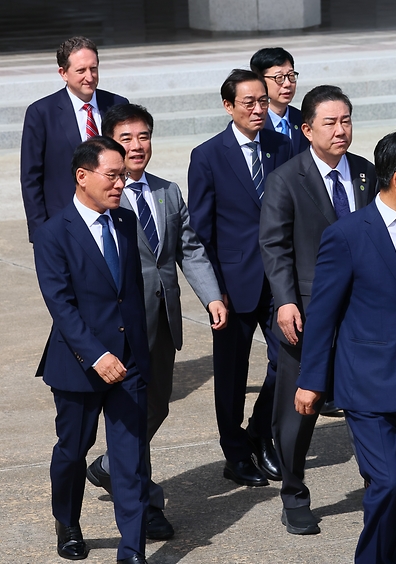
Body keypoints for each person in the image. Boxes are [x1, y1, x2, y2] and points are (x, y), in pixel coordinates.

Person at [294, 129, 396, 564]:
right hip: (367, 383)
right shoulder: (347, 235)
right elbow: (323, 315)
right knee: (388, 482)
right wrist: (311, 380)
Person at [83, 104, 227, 540]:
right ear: (109, 143)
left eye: (143, 136)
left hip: (163, 321)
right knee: (131, 413)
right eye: (126, 138)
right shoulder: (102, 197)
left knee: (158, 404)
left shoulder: (167, 192)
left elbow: (189, 249)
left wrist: (212, 295)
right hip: (120, 326)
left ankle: (111, 466)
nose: (136, 145)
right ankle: (144, 505)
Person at [259, 85, 378, 535]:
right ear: (307, 129)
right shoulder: (286, 179)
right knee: (299, 408)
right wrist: (286, 299)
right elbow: (274, 246)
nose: (341, 130)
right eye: (330, 122)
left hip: (363, 311)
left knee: (370, 406)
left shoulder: (367, 173)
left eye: (346, 120)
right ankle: (293, 493)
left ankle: (381, 492)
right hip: (307, 312)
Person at [33, 137, 152, 564]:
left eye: (124, 176)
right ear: (82, 176)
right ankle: (67, 521)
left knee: (130, 458)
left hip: (129, 361)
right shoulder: (53, 233)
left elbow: (130, 293)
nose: (121, 183)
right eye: (113, 175)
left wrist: (139, 351)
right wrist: (97, 356)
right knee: (73, 449)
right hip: (80, 365)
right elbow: (61, 305)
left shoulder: (125, 221)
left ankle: (132, 549)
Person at [188, 69, 292, 487]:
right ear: (228, 106)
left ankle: (261, 431)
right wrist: (215, 291)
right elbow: (201, 230)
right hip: (233, 284)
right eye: (248, 102)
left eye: (263, 101)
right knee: (231, 374)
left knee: (290, 360)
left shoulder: (283, 146)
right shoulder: (208, 156)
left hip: (279, 278)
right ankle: (235, 453)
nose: (258, 109)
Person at [20, 36, 128, 242]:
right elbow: (31, 178)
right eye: (81, 70)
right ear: (63, 73)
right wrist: (40, 232)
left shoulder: (117, 105)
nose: (89, 77)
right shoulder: (41, 113)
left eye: (93, 69)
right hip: (63, 222)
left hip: (114, 220)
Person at [250, 47, 311, 152]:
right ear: (260, 80)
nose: (287, 84)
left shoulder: (302, 119)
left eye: (291, 76)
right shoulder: (254, 122)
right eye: (279, 78)